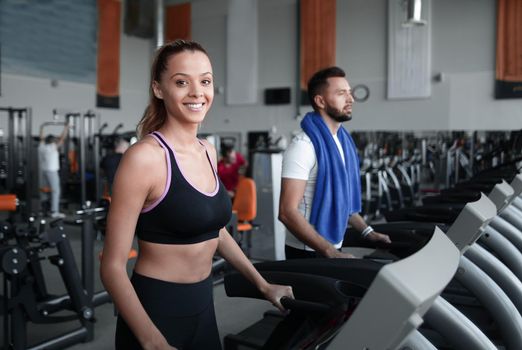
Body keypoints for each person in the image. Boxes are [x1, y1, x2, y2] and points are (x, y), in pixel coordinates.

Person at [100, 40, 294, 350]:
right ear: (159, 89)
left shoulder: (207, 150)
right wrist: (152, 342)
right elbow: (111, 266)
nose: (196, 92)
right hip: (156, 313)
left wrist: (262, 284)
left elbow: (215, 231)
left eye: (205, 81)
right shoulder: (144, 158)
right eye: (181, 82)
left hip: (204, 304)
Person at [278, 66, 392, 260]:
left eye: (349, 92)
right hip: (308, 251)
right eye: (341, 93)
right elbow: (287, 212)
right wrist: (329, 251)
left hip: (330, 247)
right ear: (320, 101)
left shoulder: (341, 141)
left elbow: (343, 201)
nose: (351, 99)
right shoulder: (303, 147)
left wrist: (368, 232)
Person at [38, 123, 69, 218]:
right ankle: (54, 212)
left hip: (44, 171)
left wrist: (42, 127)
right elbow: (62, 138)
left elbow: (42, 137)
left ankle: (43, 210)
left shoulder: (42, 146)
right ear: (52, 141)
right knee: (56, 191)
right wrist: (66, 128)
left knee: (44, 191)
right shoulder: (52, 147)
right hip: (52, 172)